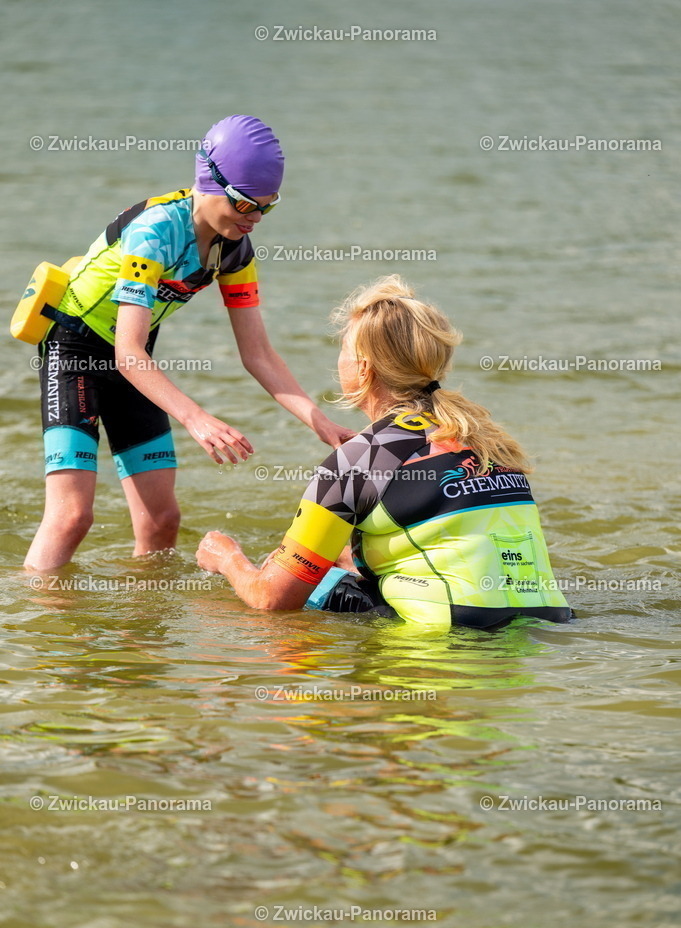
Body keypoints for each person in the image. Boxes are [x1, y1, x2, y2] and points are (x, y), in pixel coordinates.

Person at [24, 115, 352, 572]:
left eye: (267, 207)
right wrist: (196, 418)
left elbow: (257, 353)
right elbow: (128, 352)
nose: (255, 218)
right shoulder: (154, 231)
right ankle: (35, 614)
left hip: (134, 361)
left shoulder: (235, 250)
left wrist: (320, 423)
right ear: (211, 182)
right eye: (245, 204)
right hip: (76, 353)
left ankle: (144, 613)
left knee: (162, 521)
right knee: (72, 517)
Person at [196, 275, 573, 630]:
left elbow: (272, 599)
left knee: (288, 587)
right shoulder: (488, 438)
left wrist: (226, 557)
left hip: (453, 635)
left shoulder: (360, 459)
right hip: (547, 624)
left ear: (363, 368)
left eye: (343, 349)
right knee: (333, 561)